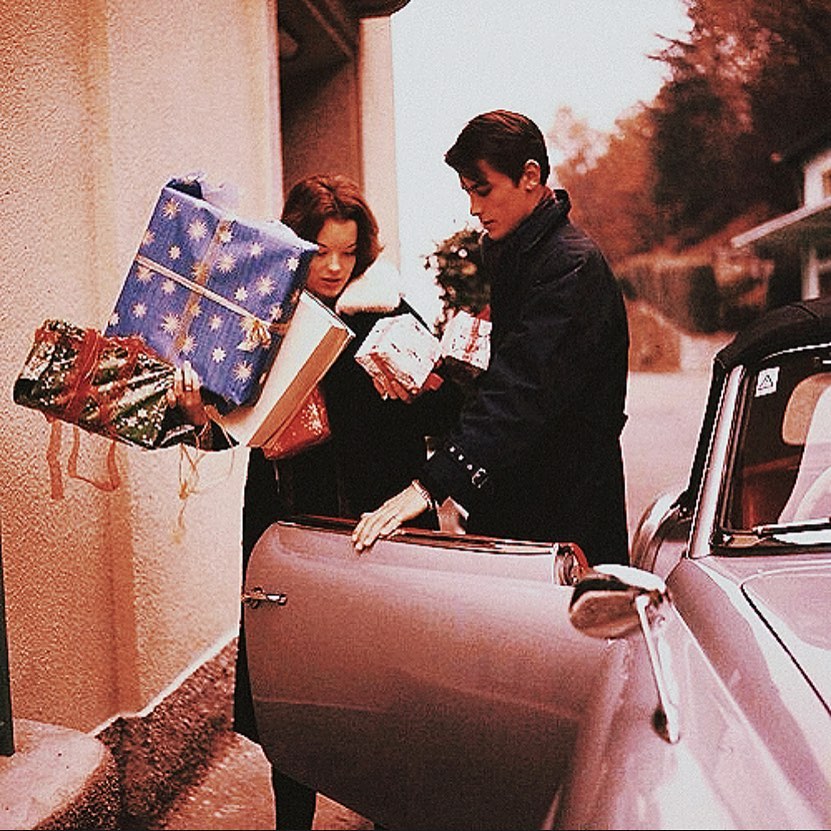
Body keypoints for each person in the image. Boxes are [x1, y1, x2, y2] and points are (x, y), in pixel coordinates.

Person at [172, 173, 462, 830]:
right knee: (291, 691)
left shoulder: (389, 314)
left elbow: (453, 407)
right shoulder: (262, 320)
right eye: (320, 250)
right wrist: (197, 412)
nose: (334, 266)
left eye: (348, 251)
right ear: (295, 246)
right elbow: (229, 428)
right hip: (286, 530)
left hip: (376, 530)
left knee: (385, 691)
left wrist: (425, 382)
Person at [353, 109, 631, 567]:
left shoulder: (568, 266)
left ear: (530, 176)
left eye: (482, 190)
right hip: (526, 503)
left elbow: (521, 392)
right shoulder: (524, 255)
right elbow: (505, 377)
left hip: (563, 515)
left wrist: (430, 484)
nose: (474, 208)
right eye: (467, 192)